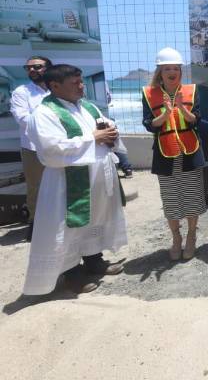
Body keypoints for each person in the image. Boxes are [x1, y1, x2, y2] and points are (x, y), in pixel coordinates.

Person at [22, 64, 127, 295]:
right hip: (66, 184)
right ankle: (72, 274)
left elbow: (104, 125)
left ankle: (94, 260)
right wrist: (93, 137)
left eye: (81, 81)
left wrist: (111, 132)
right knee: (67, 228)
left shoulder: (87, 106)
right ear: (55, 85)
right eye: (75, 83)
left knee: (95, 218)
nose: (81, 87)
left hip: (96, 179)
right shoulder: (44, 113)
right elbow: (51, 149)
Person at [142, 48, 206, 260]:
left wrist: (181, 107)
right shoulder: (149, 94)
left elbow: (196, 119)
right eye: (167, 69)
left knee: (191, 196)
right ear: (159, 72)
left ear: (180, 71)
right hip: (165, 154)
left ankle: (191, 236)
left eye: (176, 69)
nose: (172, 72)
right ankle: (176, 238)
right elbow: (149, 124)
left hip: (189, 152)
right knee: (171, 199)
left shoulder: (191, 91)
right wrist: (166, 114)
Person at [10, 55, 52, 240]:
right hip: (33, 148)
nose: (32, 70)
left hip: (60, 145)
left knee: (63, 183)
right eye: (28, 68)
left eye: (37, 67)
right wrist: (54, 123)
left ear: (48, 68)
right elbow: (23, 119)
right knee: (36, 188)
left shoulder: (57, 89)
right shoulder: (21, 92)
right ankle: (35, 225)